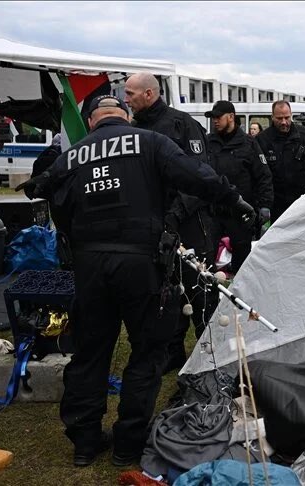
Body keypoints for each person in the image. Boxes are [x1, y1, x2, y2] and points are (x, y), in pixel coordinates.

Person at [15, 95, 255, 467]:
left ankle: (84, 440)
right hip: (141, 263)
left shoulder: (73, 155)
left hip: (90, 265)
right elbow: (196, 176)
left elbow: (57, 207)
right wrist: (234, 200)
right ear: (126, 117)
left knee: (90, 352)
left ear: (93, 122)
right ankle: (128, 444)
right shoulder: (150, 141)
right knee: (146, 352)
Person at [124, 72, 216, 373]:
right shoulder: (133, 130)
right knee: (167, 295)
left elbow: (202, 176)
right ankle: (172, 354)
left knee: (199, 291)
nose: (126, 99)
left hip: (189, 223)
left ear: (149, 94)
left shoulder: (181, 124)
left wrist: (175, 215)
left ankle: (210, 355)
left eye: (130, 93)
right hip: (153, 226)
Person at [205, 100, 273, 273]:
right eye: (213, 118)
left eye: (218, 117)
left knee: (242, 262)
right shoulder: (208, 142)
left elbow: (263, 176)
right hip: (213, 212)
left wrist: (264, 205)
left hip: (240, 213)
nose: (215, 121)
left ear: (231, 117)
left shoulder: (248, 144)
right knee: (207, 258)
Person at [256, 100, 305, 219]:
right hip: (276, 202)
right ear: (272, 117)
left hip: (301, 200)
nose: (284, 122)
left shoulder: (303, 134)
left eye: (287, 117)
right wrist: (264, 203)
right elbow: (261, 174)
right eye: (279, 118)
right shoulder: (262, 140)